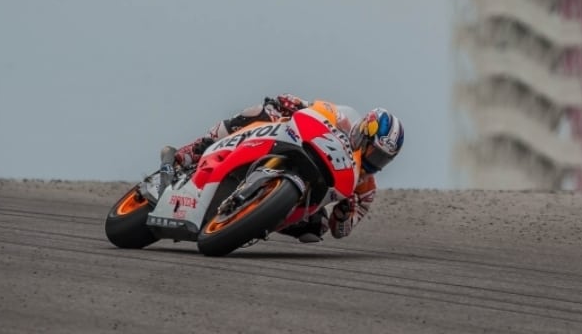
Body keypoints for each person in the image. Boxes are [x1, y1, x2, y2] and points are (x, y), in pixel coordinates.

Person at [159, 93, 404, 244]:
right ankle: (190, 153)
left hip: (311, 194)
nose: (375, 161)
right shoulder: (343, 120)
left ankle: (255, 219)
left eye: (382, 159)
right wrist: (292, 103)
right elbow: (315, 109)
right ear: (364, 131)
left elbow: (341, 231)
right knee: (261, 112)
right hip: (298, 147)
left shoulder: (366, 188)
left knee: (316, 228)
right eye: (374, 152)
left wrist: (344, 214)